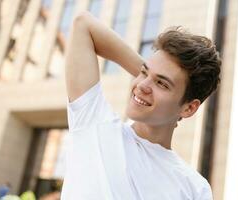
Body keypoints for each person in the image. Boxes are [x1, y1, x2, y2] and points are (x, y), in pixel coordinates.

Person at [61, 11, 221, 200]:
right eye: (144, 73)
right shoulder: (94, 125)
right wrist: (154, 74)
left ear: (188, 108)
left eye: (162, 84)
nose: (142, 85)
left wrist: (152, 74)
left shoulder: (194, 187)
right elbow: (83, 24)